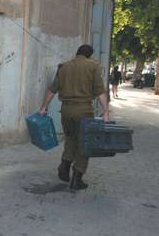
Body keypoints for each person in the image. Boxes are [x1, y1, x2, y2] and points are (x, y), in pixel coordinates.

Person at [39, 44, 109, 190]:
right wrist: (106, 111)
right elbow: (100, 91)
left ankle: (64, 168)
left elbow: (52, 90)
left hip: (66, 111)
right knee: (85, 143)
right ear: (89, 55)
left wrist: (44, 107)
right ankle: (77, 178)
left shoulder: (64, 67)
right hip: (84, 111)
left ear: (77, 53)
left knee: (70, 139)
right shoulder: (93, 66)